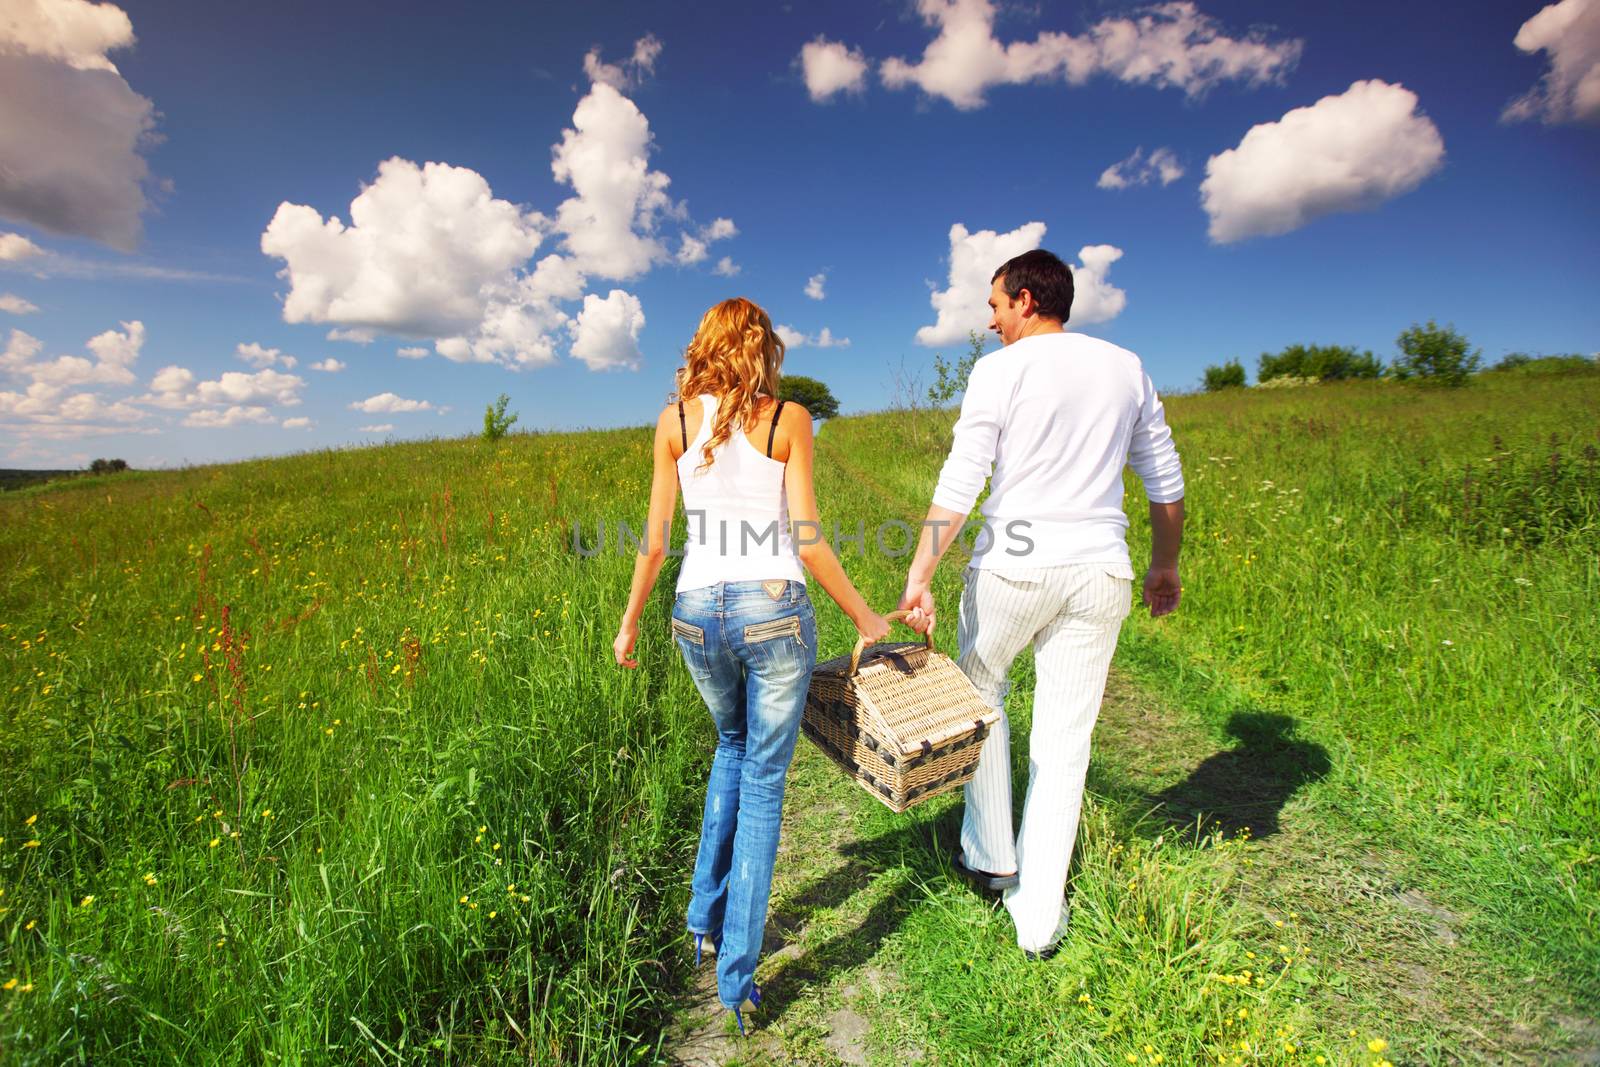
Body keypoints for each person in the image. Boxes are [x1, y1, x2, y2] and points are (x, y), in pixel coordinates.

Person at [897, 249, 1186, 959]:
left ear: (1025, 300)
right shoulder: (1127, 366)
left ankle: (993, 853)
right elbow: (1164, 480)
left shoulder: (1000, 369)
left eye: (995, 305)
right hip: (1100, 573)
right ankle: (1039, 918)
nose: (989, 320)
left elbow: (965, 475)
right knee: (1065, 741)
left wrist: (921, 569)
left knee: (978, 693)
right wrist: (1164, 564)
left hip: (1014, 568)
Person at [613, 297, 890, 1030]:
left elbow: (654, 537)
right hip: (772, 607)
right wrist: (868, 617)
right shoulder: (786, 418)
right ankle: (736, 980)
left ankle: (703, 918)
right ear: (763, 348)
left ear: (704, 344)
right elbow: (806, 541)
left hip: (696, 610)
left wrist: (630, 620)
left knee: (729, 747)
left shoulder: (673, 422)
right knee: (764, 781)